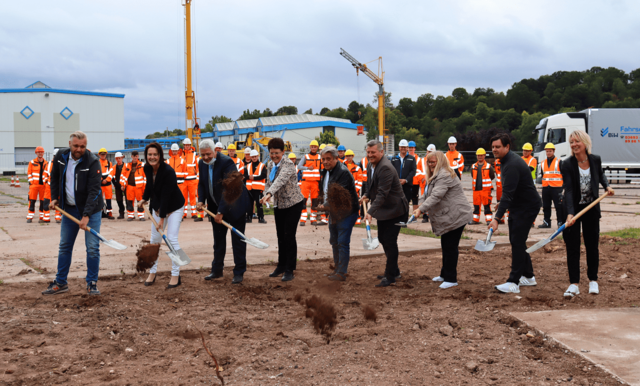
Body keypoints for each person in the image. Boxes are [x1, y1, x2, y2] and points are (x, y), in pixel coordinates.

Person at [42, 131, 104, 296]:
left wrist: (86, 215)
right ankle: (61, 282)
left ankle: (92, 283)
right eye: (76, 145)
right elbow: (54, 178)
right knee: (64, 247)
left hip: (91, 211)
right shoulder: (61, 157)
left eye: (82, 146)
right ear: (70, 144)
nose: (79, 149)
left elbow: (94, 191)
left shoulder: (93, 161)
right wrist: (54, 198)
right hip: (69, 208)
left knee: (92, 248)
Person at [561, 130, 614, 298]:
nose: (574, 145)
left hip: (591, 209)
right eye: (571, 142)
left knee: (592, 246)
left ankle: (593, 280)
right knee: (573, 247)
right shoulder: (567, 164)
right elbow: (568, 190)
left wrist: (606, 186)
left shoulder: (595, 160)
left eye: (577, 141)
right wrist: (570, 214)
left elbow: (600, 175)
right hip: (573, 210)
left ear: (585, 142)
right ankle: (574, 284)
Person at [489, 133, 542, 293]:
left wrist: (497, 218)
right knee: (517, 240)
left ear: (507, 147)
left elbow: (508, 193)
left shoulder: (511, 164)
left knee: (517, 241)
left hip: (527, 206)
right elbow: (511, 191)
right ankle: (529, 276)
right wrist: (503, 204)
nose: (494, 150)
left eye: (498, 147)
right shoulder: (505, 161)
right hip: (519, 205)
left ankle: (514, 282)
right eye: (493, 147)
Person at [414, 151, 473, 289]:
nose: (430, 164)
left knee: (450, 247)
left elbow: (436, 196)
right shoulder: (434, 176)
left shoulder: (445, 175)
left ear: (440, 162)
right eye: (428, 162)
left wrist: (421, 209)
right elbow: (426, 194)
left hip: (457, 216)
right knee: (445, 245)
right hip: (449, 216)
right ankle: (445, 274)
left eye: (433, 162)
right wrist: (418, 206)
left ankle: (451, 278)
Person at [197, 139, 250, 284]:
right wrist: (201, 200)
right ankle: (217, 270)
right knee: (218, 240)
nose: (206, 157)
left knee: (237, 240)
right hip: (216, 207)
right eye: (203, 155)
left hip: (235, 206)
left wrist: (221, 211)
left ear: (215, 151)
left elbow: (230, 189)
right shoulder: (201, 163)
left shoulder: (227, 162)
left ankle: (239, 272)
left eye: (208, 154)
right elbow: (202, 183)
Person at [361, 140, 409, 287]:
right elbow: (371, 184)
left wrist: (370, 212)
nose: (370, 155)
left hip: (396, 210)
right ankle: (394, 270)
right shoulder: (370, 165)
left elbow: (382, 193)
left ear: (381, 152)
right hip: (384, 210)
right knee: (382, 238)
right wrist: (366, 194)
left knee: (389, 241)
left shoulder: (386, 168)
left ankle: (391, 276)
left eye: (373, 152)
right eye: (368, 152)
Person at [139, 143, 186, 288]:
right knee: (155, 240)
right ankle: (152, 272)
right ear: (146, 155)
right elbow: (149, 186)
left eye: (155, 154)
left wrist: (162, 219)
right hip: (158, 206)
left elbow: (166, 196)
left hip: (174, 207)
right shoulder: (147, 168)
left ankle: (175, 275)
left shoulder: (168, 171)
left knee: (171, 239)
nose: (152, 157)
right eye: (149, 154)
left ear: (160, 156)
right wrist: (144, 199)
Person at [260, 138, 305, 282]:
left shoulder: (289, 165)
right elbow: (269, 183)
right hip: (279, 205)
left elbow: (279, 181)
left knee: (289, 236)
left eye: (277, 153)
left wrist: (269, 194)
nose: (274, 156)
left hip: (293, 204)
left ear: (283, 152)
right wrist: (264, 195)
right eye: (271, 153)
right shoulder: (269, 164)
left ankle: (290, 269)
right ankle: (281, 265)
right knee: (280, 236)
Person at [317, 146, 359, 281]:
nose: (325, 162)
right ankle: (337, 269)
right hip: (335, 212)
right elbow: (324, 189)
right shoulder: (325, 171)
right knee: (334, 241)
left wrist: (325, 206)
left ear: (336, 158)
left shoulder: (343, 173)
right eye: (323, 159)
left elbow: (339, 196)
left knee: (342, 242)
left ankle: (341, 273)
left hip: (347, 212)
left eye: (328, 159)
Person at [539, 143, 565, 228]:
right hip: (546, 187)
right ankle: (546, 222)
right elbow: (543, 174)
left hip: (557, 188)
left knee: (559, 206)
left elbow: (564, 175)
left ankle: (560, 222)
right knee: (546, 206)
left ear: (554, 151)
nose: (548, 153)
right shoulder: (543, 163)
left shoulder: (559, 162)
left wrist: (564, 187)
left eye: (550, 151)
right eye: (547, 151)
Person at [298, 140, 322, 226]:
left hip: (315, 183)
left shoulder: (320, 157)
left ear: (317, 148)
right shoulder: (306, 156)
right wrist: (308, 168)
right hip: (306, 182)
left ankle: (313, 219)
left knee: (314, 201)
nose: (313, 148)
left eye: (315, 147)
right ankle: (303, 220)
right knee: (303, 201)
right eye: (312, 146)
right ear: (310, 147)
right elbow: (299, 166)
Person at [469, 148, 495, 225]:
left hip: (486, 190)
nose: (480, 157)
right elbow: (472, 175)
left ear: (484, 156)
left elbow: (492, 176)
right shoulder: (473, 166)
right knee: (476, 205)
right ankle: (475, 220)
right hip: (476, 190)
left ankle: (488, 220)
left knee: (487, 205)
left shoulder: (489, 166)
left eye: (481, 155)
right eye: (478, 155)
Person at [119, 151, 146, 221]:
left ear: (138, 156)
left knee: (140, 201)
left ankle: (141, 216)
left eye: (136, 156)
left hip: (139, 187)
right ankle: (130, 216)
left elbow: (145, 177)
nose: (135, 157)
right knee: (129, 201)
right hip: (129, 186)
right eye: (133, 156)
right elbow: (123, 175)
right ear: (131, 156)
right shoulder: (127, 165)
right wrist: (122, 185)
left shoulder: (143, 165)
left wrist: (145, 187)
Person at [391, 139, 417, 206]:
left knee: (405, 204)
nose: (403, 148)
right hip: (396, 185)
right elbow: (391, 171)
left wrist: (406, 180)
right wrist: (396, 180)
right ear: (399, 147)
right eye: (402, 147)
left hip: (407, 186)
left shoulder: (412, 159)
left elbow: (413, 171)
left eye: (404, 147)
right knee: (396, 204)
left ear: (407, 148)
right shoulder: (394, 159)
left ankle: (405, 216)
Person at [27, 146, 49, 223]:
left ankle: (42, 217)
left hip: (43, 186)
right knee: (32, 201)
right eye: (39, 152)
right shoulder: (32, 162)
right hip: (34, 186)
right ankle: (30, 216)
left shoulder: (46, 163)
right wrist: (32, 182)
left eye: (41, 152)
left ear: (43, 153)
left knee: (42, 202)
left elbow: (47, 174)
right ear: (36, 153)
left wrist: (46, 182)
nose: (40, 153)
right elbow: (29, 173)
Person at [245, 149, 267, 224]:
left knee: (259, 204)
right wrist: (249, 177)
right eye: (253, 157)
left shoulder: (262, 165)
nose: (254, 158)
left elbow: (263, 175)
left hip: (258, 189)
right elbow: (245, 176)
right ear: (251, 157)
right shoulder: (248, 166)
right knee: (249, 204)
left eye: (255, 156)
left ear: (258, 156)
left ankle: (261, 218)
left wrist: (253, 178)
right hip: (249, 188)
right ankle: (248, 218)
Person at [182, 138, 202, 221]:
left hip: (193, 179)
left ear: (190, 146)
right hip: (183, 180)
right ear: (183, 146)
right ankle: (184, 213)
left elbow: (198, 168)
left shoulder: (194, 155)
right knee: (183, 197)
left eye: (188, 145)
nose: (187, 146)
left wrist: (197, 179)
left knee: (193, 197)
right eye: (185, 145)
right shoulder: (180, 155)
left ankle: (194, 213)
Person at [343, 149, 363, 224]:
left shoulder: (357, 168)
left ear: (353, 156)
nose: (348, 157)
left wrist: (356, 190)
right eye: (347, 156)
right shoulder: (342, 167)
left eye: (350, 156)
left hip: (355, 191)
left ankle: (357, 219)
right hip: (345, 191)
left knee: (356, 205)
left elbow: (360, 181)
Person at [166, 144, 187, 210]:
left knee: (180, 199)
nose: (174, 152)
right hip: (171, 184)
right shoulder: (168, 161)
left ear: (178, 151)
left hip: (181, 184)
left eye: (175, 151)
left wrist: (182, 179)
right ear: (171, 151)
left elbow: (185, 172)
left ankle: (181, 214)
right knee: (171, 199)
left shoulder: (182, 161)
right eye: (173, 151)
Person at [419, 144, 437, 223]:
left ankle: (433, 215)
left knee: (433, 197)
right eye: (429, 151)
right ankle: (425, 216)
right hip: (425, 182)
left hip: (434, 181)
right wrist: (422, 177)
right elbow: (418, 171)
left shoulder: (437, 161)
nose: (429, 153)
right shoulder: (422, 160)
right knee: (425, 197)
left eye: (431, 152)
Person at [44, 148, 62, 223]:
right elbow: (45, 174)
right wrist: (46, 182)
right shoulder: (48, 164)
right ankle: (46, 217)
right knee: (47, 201)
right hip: (49, 185)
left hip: (58, 186)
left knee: (58, 201)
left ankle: (58, 217)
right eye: (55, 156)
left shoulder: (61, 164)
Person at [98, 148, 115, 220]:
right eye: (101, 154)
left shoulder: (109, 163)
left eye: (104, 154)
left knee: (108, 199)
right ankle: (100, 213)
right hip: (100, 184)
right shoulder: (96, 162)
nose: (103, 155)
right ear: (99, 155)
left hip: (107, 184)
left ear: (106, 154)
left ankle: (109, 213)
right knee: (99, 199)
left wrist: (106, 180)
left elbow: (111, 173)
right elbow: (96, 172)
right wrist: (101, 180)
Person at [408, 141, 422, 214]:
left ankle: (414, 215)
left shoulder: (419, 159)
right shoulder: (405, 158)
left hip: (415, 182)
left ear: (415, 148)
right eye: (410, 148)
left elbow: (421, 171)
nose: (411, 149)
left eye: (412, 147)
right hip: (407, 182)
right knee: (406, 198)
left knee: (415, 198)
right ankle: (405, 215)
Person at [112, 152, 126, 219]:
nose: (118, 160)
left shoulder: (126, 166)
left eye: (119, 158)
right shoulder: (114, 167)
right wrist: (117, 185)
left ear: (122, 158)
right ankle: (121, 213)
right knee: (119, 200)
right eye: (117, 158)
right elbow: (112, 177)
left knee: (128, 200)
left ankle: (131, 214)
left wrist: (123, 185)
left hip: (125, 186)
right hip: (117, 186)